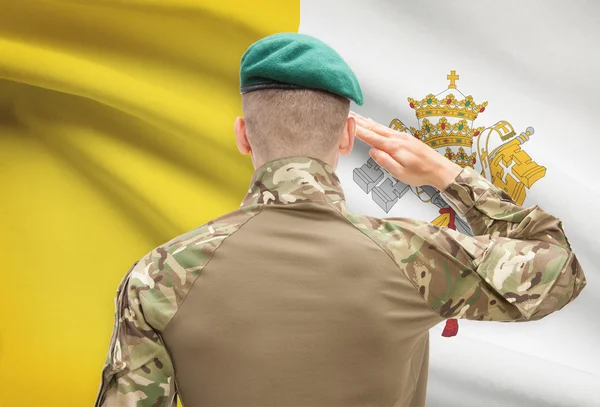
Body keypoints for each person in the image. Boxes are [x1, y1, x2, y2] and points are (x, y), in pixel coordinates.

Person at [94, 33, 586, 407]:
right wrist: (447, 174)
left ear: (244, 135)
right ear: (348, 136)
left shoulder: (158, 276)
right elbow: (559, 269)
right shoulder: (416, 258)